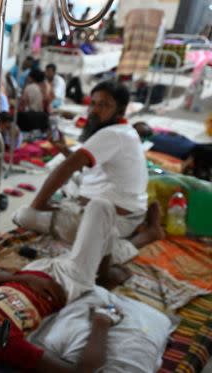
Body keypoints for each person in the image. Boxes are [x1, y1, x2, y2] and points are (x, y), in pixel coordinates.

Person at [13, 81, 163, 272]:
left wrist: (38, 205)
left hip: (115, 220)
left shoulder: (112, 134)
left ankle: (146, 236)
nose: (94, 110)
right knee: (72, 185)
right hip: (123, 212)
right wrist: (67, 151)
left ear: (121, 110)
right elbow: (90, 169)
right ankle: (114, 234)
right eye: (93, 103)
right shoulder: (122, 132)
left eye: (104, 105)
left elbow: (66, 169)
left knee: (24, 215)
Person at [0, 260, 124, 372]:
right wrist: (101, 322)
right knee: (100, 212)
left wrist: (24, 278)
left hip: (39, 270)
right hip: (68, 289)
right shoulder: (7, 345)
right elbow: (80, 371)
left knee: (96, 241)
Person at [134, 121, 212, 180]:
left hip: (195, 146)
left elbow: (178, 135)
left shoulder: (160, 132)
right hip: (192, 152)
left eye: (143, 125)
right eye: (138, 128)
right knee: (203, 151)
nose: (143, 127)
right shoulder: (146, 144)